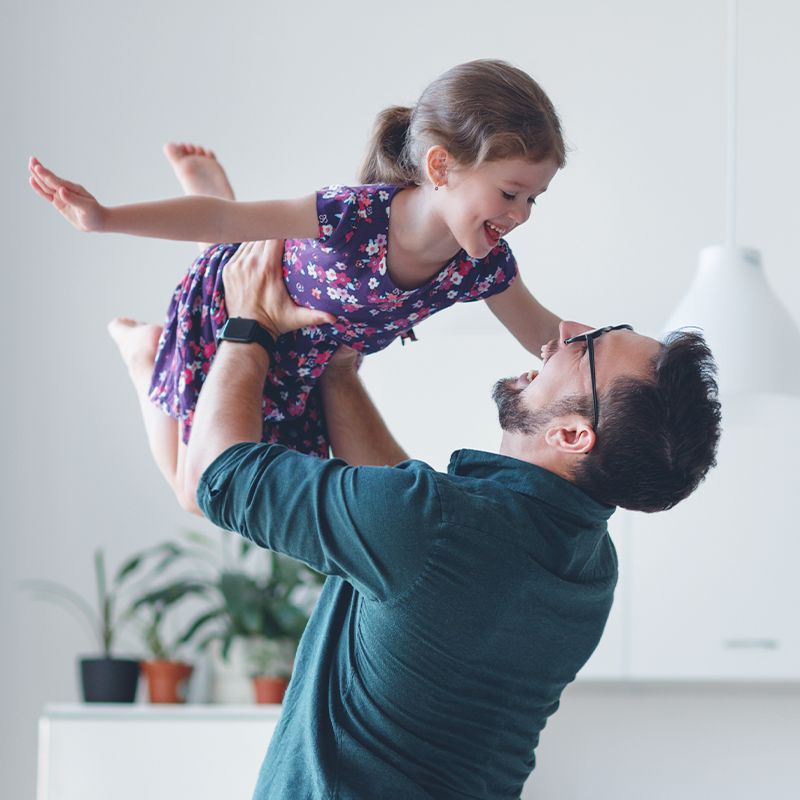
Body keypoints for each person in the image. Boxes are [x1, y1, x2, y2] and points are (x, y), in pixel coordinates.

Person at [181, 239, 722, 799]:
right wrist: (338, 374)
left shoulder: (437, 526)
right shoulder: (586, 565)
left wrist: (250, 323)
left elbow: (216, 474)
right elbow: (411, 548)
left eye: (585, 348)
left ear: (571, 435)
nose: (567, 332)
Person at [27, 59, 565, 510]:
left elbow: (547, 333)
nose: (521, 215)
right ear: (441, 166)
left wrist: (639, 359)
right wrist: (103, 217)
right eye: (510, 193)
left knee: (237, 490)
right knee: (196, 495)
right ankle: (145, 353)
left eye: (533, 199)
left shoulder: (482, 266)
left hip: (301, 367)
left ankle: (223, 221)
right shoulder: (353, 215)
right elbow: (218, 220)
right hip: (230, 315)